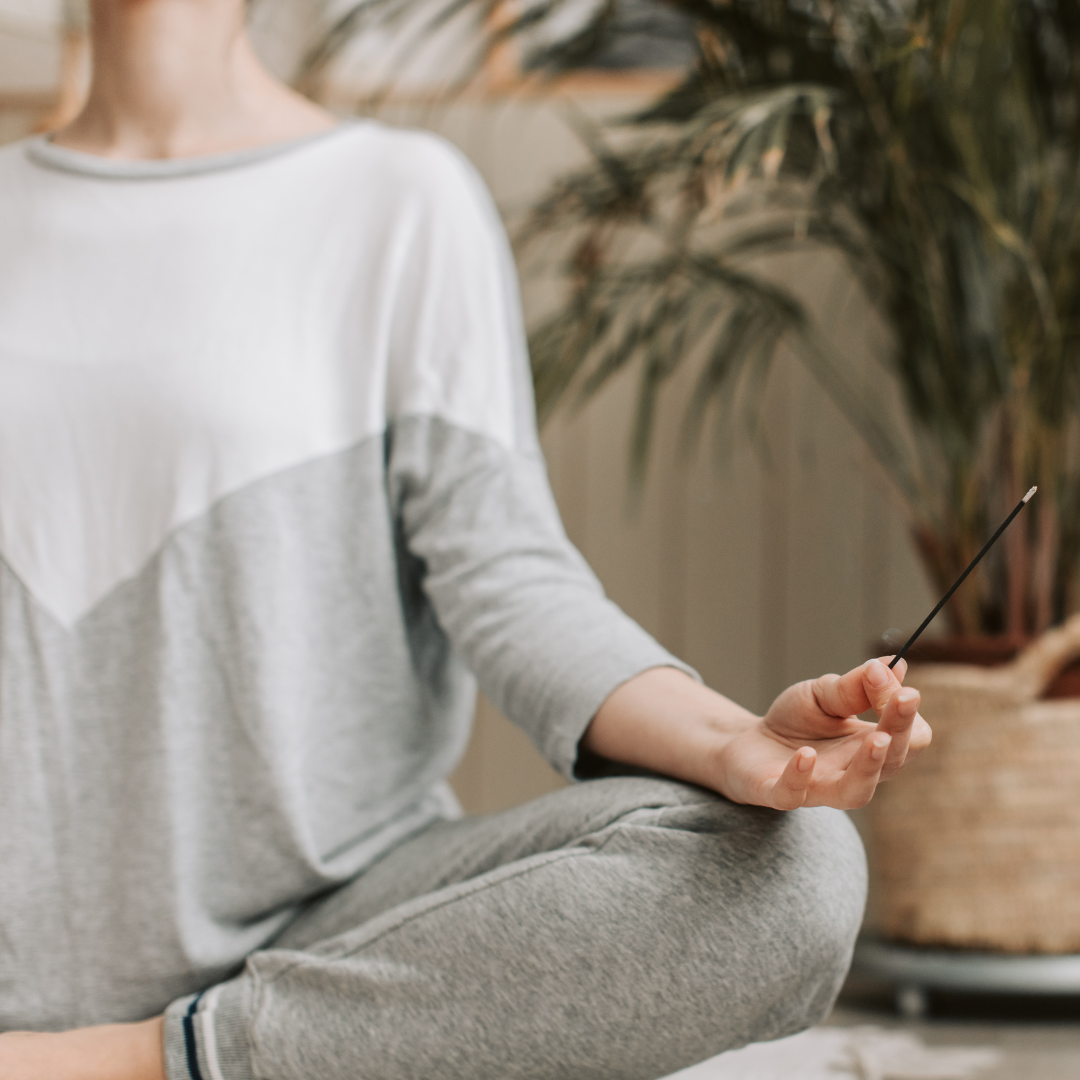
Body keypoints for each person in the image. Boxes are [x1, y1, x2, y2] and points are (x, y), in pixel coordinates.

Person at [0, 2, 931, 1078]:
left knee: (792, 871)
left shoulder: (394, 202)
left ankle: (142, 1061)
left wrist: (734, 745)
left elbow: (509, 572)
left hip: (333, 930)